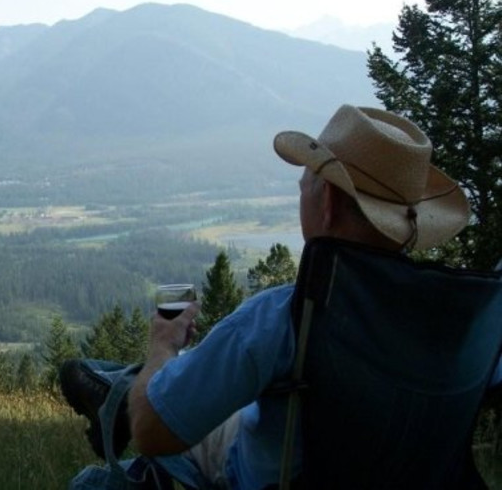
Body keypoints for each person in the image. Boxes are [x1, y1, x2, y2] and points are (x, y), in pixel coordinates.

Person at [62, 105, 502, 489]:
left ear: (326, 199)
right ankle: (130, 386)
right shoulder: (471, 324)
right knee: (229, 397)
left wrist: (163, 343)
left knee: (121, 459)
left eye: (304, 184)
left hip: (269, 474)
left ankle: (126, 393)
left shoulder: (289, 316)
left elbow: (155, 433)